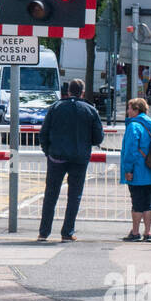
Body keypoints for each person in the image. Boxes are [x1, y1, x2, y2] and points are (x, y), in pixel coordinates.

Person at [37, 79, 104, 242]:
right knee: (74, 196)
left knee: (51, 195)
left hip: (56, 157)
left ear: (67, 91)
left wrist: (48, 151)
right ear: (82, 91)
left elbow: (43, 133)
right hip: (79, 158)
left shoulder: (56, 107)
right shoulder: (90, 109)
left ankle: (44, 232)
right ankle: (67, 232)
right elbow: (98, 138)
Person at [120, 97, 151, 242]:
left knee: (137, 202)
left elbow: (131, 151)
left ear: (136, 110)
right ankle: (148, 232)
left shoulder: (134, 126)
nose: (128, 111)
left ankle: (135, 232)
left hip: (138, 170)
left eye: (129, 108)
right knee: (147, 203)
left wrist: (128, 170)